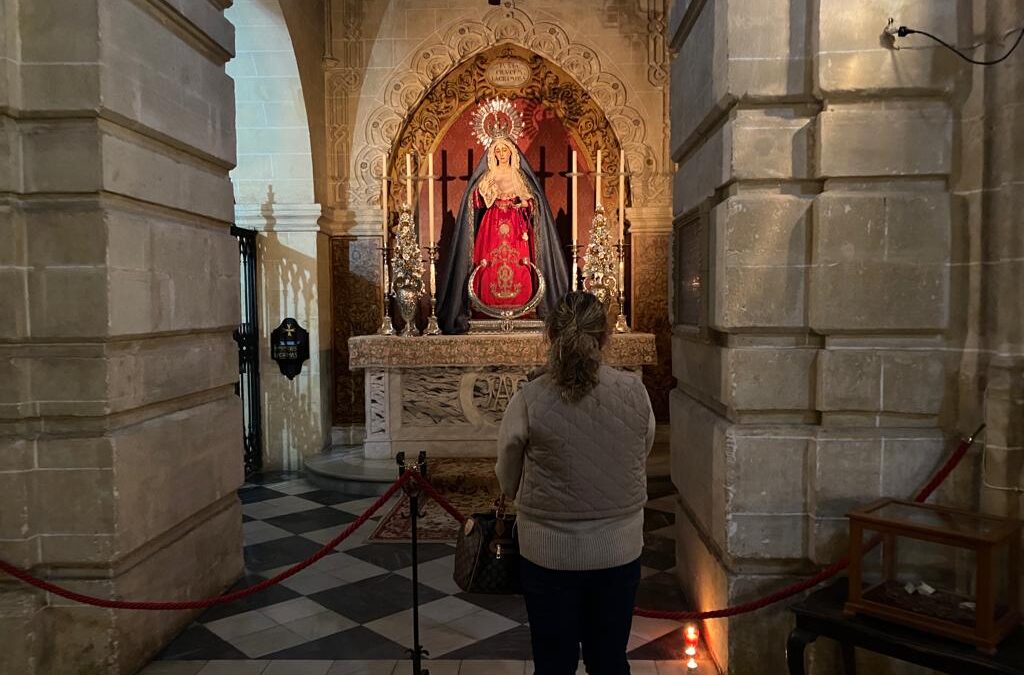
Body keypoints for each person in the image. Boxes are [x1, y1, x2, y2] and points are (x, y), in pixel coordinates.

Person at [495, 291, 656, 675]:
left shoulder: (530, 397)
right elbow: (643, 446)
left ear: (550, 336)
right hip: (617, 549)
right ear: (605, 338)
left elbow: (507, 471)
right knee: (609, 661)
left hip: (549, 552)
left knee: (553, 664)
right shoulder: (635, 392)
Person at [436, 135, 570, 334]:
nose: (501, 154)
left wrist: (525, 203)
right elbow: (475, 202)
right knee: (489, 260)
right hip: (492, 223)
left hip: (516, 225)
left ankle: (521, 306)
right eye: (497, 151)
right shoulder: (488, 175)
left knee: (519, 261)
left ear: (511, 152)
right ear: (493, 154)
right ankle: (487, 307)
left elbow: (533, 201)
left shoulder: (520, 175)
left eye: (504, 150)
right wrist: (484, 193)